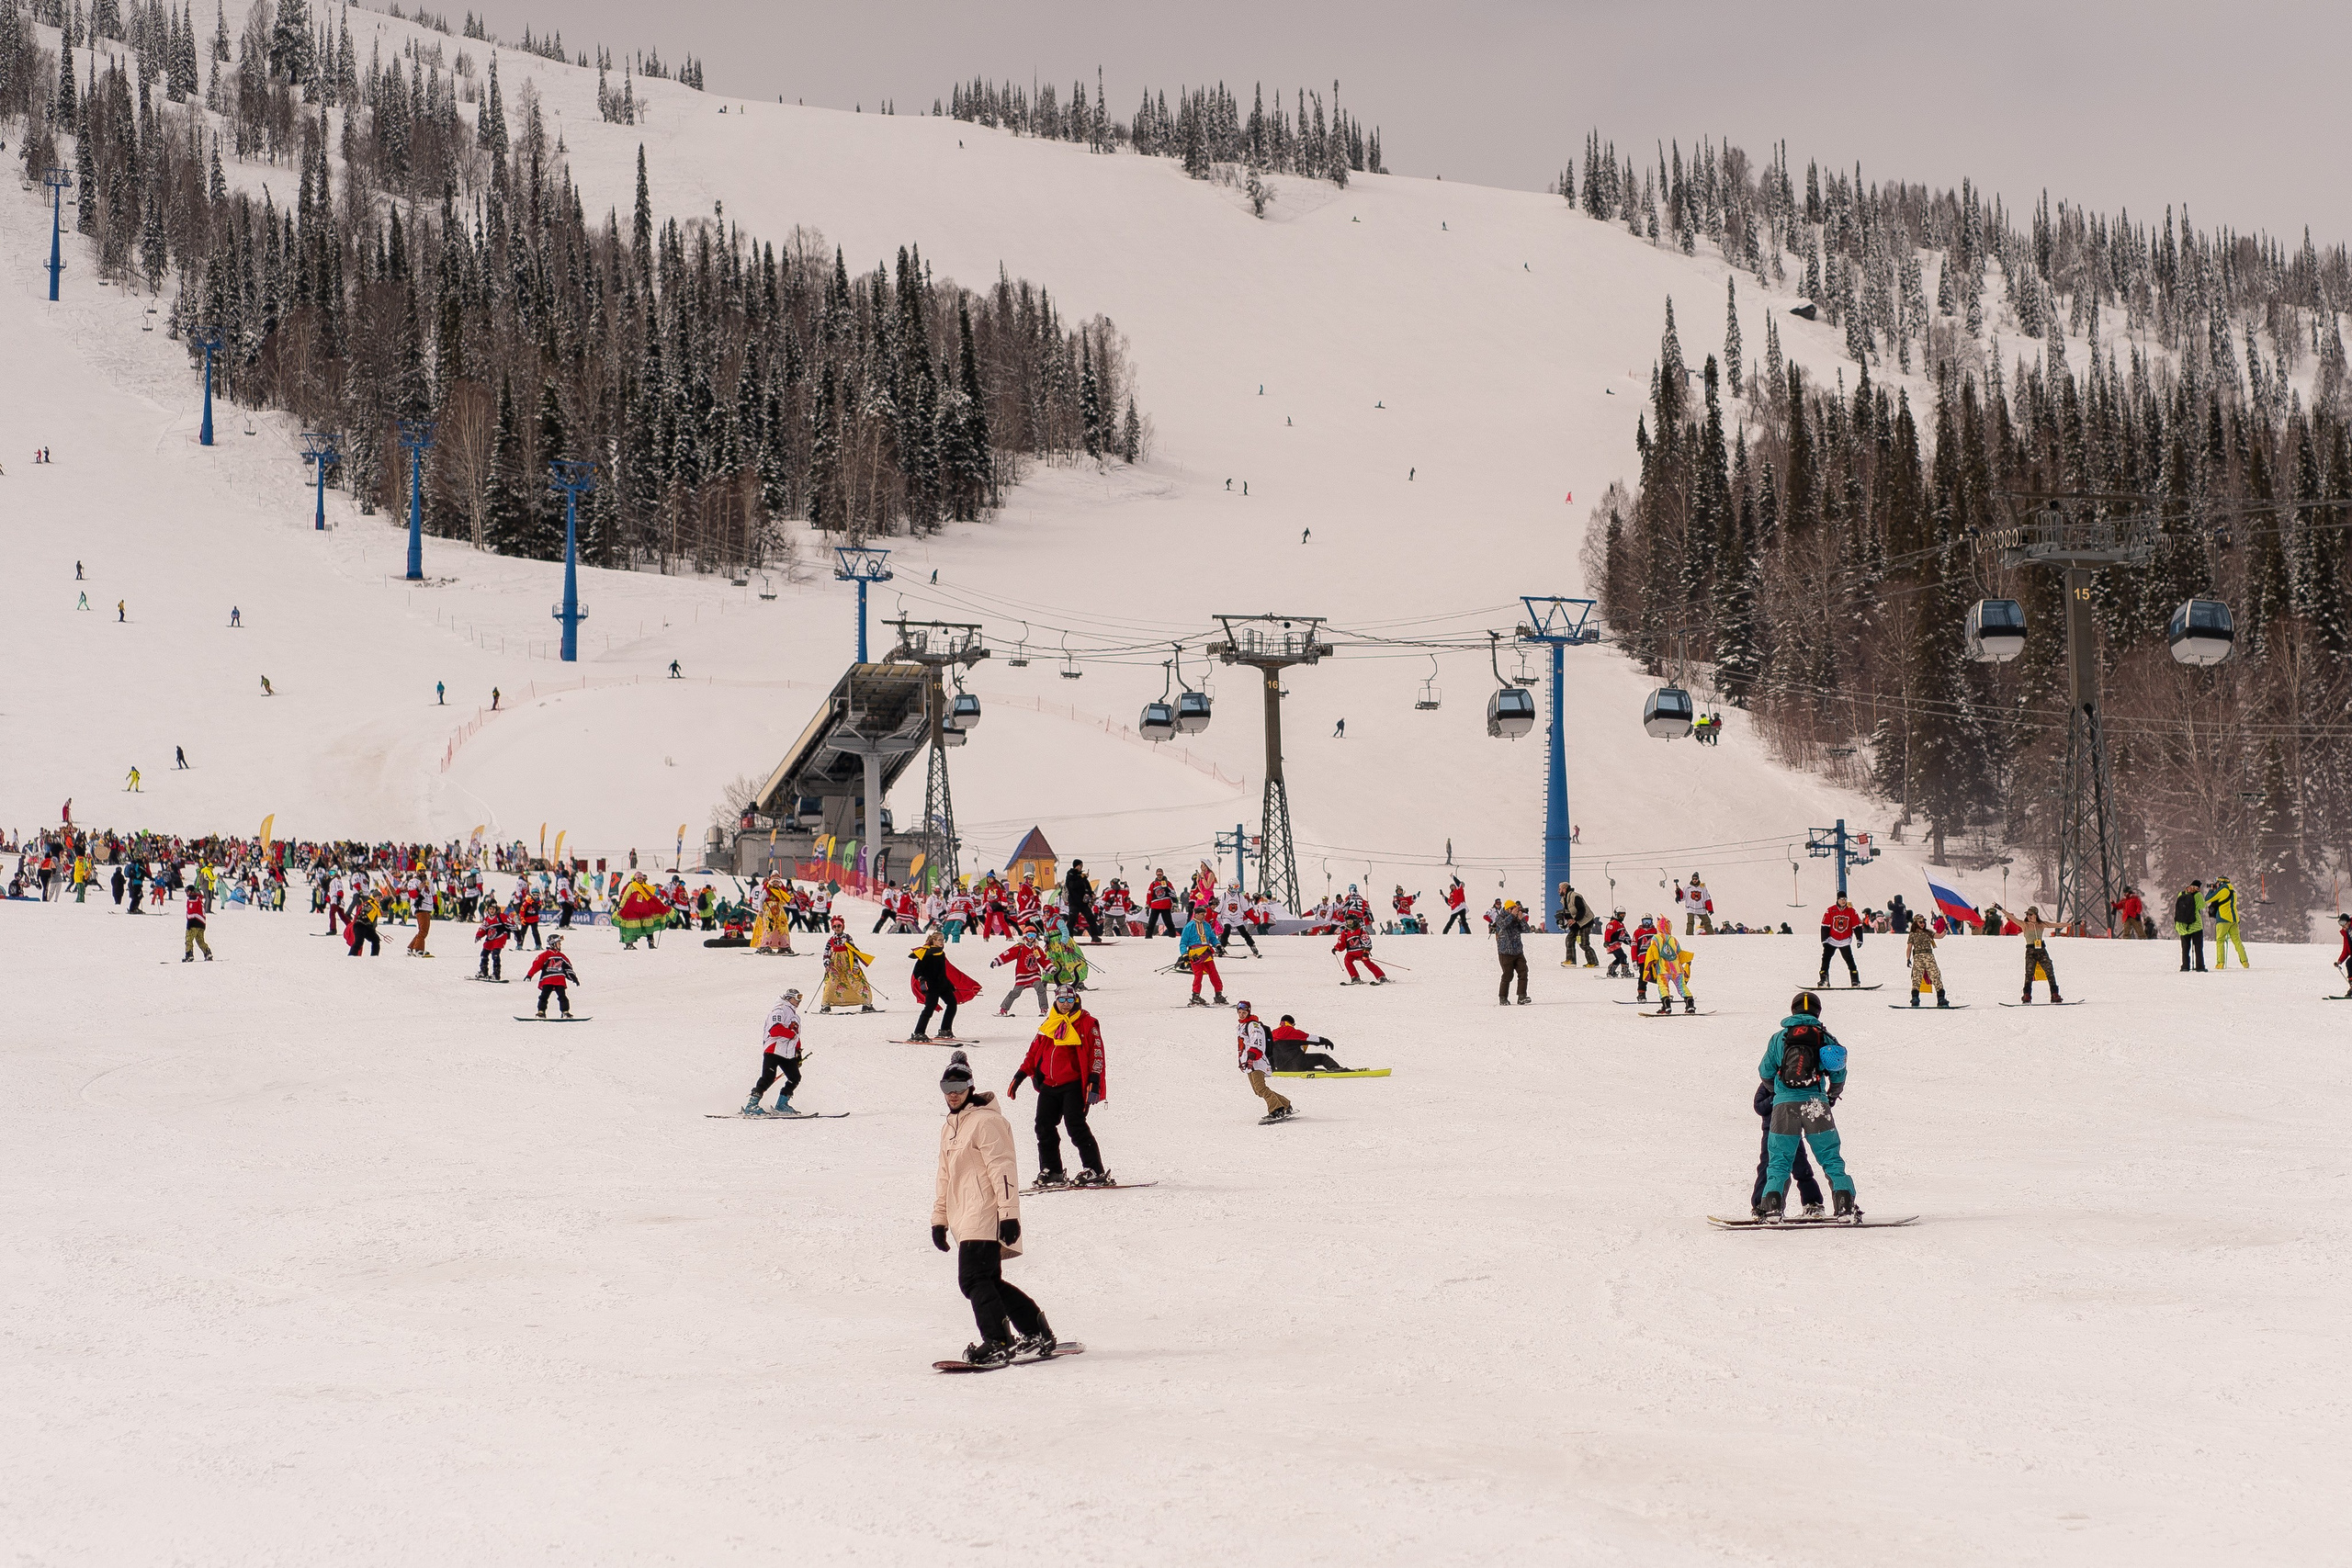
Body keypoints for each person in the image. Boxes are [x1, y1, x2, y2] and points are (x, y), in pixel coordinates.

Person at [932, 1051, 1052, 1368]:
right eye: (947, 1087)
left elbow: (1004, 1169)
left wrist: (1009, 1213)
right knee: (988, 1281)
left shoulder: (987, 1122)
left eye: (959, 1086)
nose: (953, 1093)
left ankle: (998, 1342)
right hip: (964, 1217)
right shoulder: (951, 1127)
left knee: (972, 1280)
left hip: (986, 1211)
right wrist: (939, 1220)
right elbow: (945, 1176)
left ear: (971, 1087)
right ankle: (1035, 1332)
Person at [1756, 991, 1858, 1220]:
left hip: (1784, 1107)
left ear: (1793, 1010)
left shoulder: (1779, 1038)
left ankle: (1772, 1206)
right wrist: (1831, 1095)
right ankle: (1844, 1205)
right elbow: (1838, 1071)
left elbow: (1765, 1071)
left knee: (1779, 1159)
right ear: (1817, 1011)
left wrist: (1779, 1093)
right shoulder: (1824, 1037)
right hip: (1815, 1104)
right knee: (1830, 1157)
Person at [1007, 987, 1108, 1186]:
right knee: (1043, 1126)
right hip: (1049, 1085)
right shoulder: (1050, 1022)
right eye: (1061, 1000)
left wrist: (1094, 1081)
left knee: (1075, 1125)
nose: (1065, 1004)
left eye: (1069, 1000)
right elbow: (1034, 1052)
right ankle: (1052, 1170)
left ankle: (1094, 1169)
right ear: (1056, 1001)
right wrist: (1020, 1075)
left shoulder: (1087, 1023)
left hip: (1073, 1085)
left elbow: (1097, 1054)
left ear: (1076, 1000)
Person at [1751, 1079, 1823, 1219]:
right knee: (1767, 1167)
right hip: (1771, 1133)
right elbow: (1759, 1107)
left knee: (1801, 1167)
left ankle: (1813, 1203)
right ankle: (1761, 1204)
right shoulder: (1768, 1083)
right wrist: (1776, 1097)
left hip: (1791, 1131)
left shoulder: (1795, 1084)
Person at [743, 988, 807, 1114]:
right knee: (768, 1077)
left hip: (787, 1053)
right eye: (797, 997)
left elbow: (796, 1036)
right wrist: (790, 1035)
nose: (799, 1001)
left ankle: (782, 1104)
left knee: (795, 1077)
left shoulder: (795, 1016)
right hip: (774, 1048)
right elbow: (775, 1029)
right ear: (789, 998)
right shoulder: (779, 1010)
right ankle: (751, 1105)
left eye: (801, 998)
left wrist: (797, 1052)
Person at [1234, 1001, 1295, 1122]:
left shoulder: (1253, 1025)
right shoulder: (1241, 1026)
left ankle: (1276, 1109)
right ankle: (1286, 1105)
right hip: (1248, 1062)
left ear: (1249, 1012)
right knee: (1258, 1090)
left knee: (1261, 1088)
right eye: (1240, 1012)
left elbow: (1258, 1041)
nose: (1241, 1015)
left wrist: (1252, 1057)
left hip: (1256, 1061)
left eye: (1244, 1012)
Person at [909, 929, 971, 1043]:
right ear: (933, 941)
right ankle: (918, 1032)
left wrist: (950, 984)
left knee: (952, 1004)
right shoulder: (926, 953)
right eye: (939, 940)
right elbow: (917, 971)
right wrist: (922, 980)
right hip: (931, 986)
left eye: (943, 940)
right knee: (929, 1009)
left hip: (943, 985)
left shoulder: (941, 953)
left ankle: (945, 1030)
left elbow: (942, 971)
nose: (942, 942)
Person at [819, 917, 877, 1012]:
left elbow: (854, 951)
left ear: (842, 927)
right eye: (835, 926)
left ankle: (867, 1003)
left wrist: (855, 965)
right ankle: (825, 1005)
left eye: (839, 926)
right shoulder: (831, 940)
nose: (837, 928)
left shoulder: (847, 938)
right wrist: (827, 964)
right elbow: (826, 953)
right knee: (831, 983)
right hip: (835, 966)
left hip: (848, 965)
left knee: (857, 982)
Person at [990, 930, 1050, 1017]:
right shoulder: (1020, 947)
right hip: (1022, 974)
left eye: (1033, 935)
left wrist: (1050, 967)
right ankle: (1003, 1009)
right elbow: (1008, 954)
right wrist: (997, 961)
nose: (1031, 938)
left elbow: (1043, 959)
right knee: (1015, 992)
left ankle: (1044, 1009)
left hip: (1034, 974)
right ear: (1025, 935)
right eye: (1029, 935)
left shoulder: (1036, 948)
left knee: (1041, 990)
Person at [1645, 915, 1695, 1014]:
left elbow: (1654, 951)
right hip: (1677, 969)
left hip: (1663, 969)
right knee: (1682, 986)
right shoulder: (1674, 939)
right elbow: (1679, 953)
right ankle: (1690, 1006)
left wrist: (1653, 961)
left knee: (1663, 987)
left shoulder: (1656, 938)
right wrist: (1688, 959)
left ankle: (1666, 1006)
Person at [1267, 1014, 1351, 1071]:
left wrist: (1272, 1068)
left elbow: (1266, 1052)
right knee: (1322, 1057)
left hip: (1281, 1067)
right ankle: (1334, 1068)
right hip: (1298, 1063)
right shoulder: (1294, 1032)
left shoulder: (1272, 1034)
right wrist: (1325, 1041)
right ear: (1291, 1023)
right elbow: (1312, 1039)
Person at [526, 934, 579, 1016]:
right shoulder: (545, 955)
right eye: (558, 943)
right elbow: (537, 965)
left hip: (559, 980)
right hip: (548, 980)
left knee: (562, 996)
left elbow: (568, 967)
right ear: (552, 944)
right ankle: (541, 1011)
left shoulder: (561, 956)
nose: (560, 945)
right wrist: (530, 975)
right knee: (544, 996)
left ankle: (565, 1011)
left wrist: (574, 978)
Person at [1181, 909, 1226, 1006]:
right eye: (1201, 914)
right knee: (1198, 975)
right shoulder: (1189, 927)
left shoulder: (1207, 925)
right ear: (1196, 914)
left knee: (1214, 974)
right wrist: (1184, 954)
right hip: (1195, 954)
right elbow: (1183, 943)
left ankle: (1218, 994)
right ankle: (1195, 996)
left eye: (1204, 914)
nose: (1204, 916)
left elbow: (1213, 938)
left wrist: (1217, 945)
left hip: (1206, 953)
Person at [2018, 907, 2063, 1002]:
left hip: (2041, 950)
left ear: (2035, 915)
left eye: (2030, 914)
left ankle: (2054, 994)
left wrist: (2072, 924)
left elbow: (2057, 925)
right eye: (2027, 914)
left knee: (2049, 971)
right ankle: (2027, 995)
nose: (2028, 916)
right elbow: (2012, 918)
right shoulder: (2024, 925)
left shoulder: (2041, 924)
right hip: (2030, 951)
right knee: (2029, 973)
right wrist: (2001, 909)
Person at [1818, 894, 1863, 987]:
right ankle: (1824, 979)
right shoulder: (1830, 910)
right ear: (1837, 900)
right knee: (1825, 960)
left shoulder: (1851, 911)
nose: (1843, 901)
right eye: (1841, 899)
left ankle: (1855, 980)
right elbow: (1825, 926)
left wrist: (1859, 939)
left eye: (1845, 899)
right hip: (1832, 940)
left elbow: (1857, 926)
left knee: (1850, 960)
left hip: (1845, 941)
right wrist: (1824, 940)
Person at [1491, 898, 1530, 1005]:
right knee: (1507, 975)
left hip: (1517, 951)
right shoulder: (1500, 917)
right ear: (1508, 909)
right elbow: (1502, 925)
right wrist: (1512, 916)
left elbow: (1527, 930)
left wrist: (1521, 919)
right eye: (1512, 909)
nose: (1515, 910)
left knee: (1523, 972)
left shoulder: (1517, 919)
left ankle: (1522, 996)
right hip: (1505, 951)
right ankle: (1503, 997)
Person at [1905, 917, 1950, 1007]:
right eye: (1920, 922)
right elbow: (1909, 947)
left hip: (1929, 956)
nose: (1922, 924)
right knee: (1916, 977)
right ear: (1916, 923)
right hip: (1918, 957)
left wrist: (1945, 931)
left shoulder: (1928, 932)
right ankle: (1915, 998)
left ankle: (1941, 998)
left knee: (1935, 975)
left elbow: (1939, 936)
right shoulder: (1912, 934)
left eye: (1923, 922)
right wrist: (1908, 959)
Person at [2206, 877, 2249, 969]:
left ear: (2221, 883)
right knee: (2237, 941)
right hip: (2234, 919)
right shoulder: (2233, 891)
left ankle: (2220, 963)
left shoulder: (2223, 890)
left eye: (2217, 883)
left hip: (2223, 918)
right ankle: (2244, 961)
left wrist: (2211, 890)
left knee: (2220, 941)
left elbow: (2208, 899)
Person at [1334, 919, 1386, 983]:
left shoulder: (1360, 931)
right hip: (1351, 953)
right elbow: (1342, 942)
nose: (1349, 923)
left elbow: (1366, 941)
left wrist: (1366, 952)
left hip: (1361, 952)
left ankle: (1381, 977)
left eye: (1351, 921)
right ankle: (1355, 977)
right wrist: (1336, 948)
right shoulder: (1345, 933)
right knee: (1347, 960)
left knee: (1368, 963)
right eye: (1348, 922)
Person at [1559, 883, 1597, 966]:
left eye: (1560, 889)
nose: (1559, 891)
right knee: (1569, 939)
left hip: (1585, 922)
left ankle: (1593, 962)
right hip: (1577, 923)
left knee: (1583, 943)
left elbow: (1582, 910)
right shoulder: (1564, 899)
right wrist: (1567, 920)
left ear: (1564, 889)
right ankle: (1571, 961)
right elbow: (1568, 912)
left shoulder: (1575, 897)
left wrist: (1575, 920)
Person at [1063, 859, 1101, 941]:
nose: (1081, 867)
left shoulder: (1082, 876)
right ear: (1075, 866)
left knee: (1091, 918)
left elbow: (1087, 886)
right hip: (1074, 901)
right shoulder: (1070, 875)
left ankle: (1095, 936)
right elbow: (1072, 886)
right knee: (1072, 920)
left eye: (1081, 866)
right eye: (1080, 865)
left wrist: (1091, 893)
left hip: (1083, 903)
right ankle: (1068, 937)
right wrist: (1082, 878)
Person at [2173, 880, 2206, 972]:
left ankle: (2185, 966)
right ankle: (2200, 966)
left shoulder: (2181, 894)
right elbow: (2202, 906)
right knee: (2198, 947)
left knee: (2185, 947)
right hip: (2196, 925)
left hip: (2183, 925)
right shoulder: (2198, 895)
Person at [475, 900, 512, 979]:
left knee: (495, 954)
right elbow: (483, 928)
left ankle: (496, 974)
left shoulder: (501, 916)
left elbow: (511, 924)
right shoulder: (487, 919)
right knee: (484, 954)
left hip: (500, 938)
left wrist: (517, 935)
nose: (492, 911)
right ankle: (483, 971)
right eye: (490, 909)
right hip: (490, 939)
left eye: (493, 909)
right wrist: (478, 935)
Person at [183, 884, 213, 962]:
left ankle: (189, 954)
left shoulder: (193, 898)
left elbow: (191, 911)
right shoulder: (199, 898)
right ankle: (207, 952)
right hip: (202, 923)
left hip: (194, 922)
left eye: (188, 891)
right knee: (200, 940)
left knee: (189, 939)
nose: (187, 893)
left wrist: (189, 923)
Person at [1602, 908, 1633, 977]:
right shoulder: (1613, 923)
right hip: (1612, 944)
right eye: (1621, 914)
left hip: (1617, 944)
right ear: (1616, 914)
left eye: (1624, 914)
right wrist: (1606, 941)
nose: (1622, 916)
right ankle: (1625, 972)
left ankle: (1611, 971)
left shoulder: (1621, 924)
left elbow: (1624, 935)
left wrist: (1630, 942)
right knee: (1623, 956)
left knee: (1619, 958)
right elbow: (1608, 932)